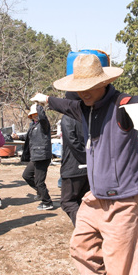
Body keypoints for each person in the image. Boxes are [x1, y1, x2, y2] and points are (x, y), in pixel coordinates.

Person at [30, 53, 138, 275]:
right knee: (81, 247)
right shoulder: (84, 108)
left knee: (118, 263)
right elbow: (64, 104)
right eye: (79, 88)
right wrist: (44, 99)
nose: (84, 92)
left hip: (125, 200)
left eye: (89, 87)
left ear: (103, 82)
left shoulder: (123, 106)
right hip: (96, 197)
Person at [11, 103, 54, 211]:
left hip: (42, 156)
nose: (35, 116)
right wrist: (18, 137)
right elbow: (27, 136)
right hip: (35, 156)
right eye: (33, 114)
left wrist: (38, 105)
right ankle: (41, 192)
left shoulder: (44, 124)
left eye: (37, 114)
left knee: (40, 181)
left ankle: (47, 202)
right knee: (26, 175)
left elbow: (43, 117)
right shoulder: (33, 125)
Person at [59, 92, 90, 227]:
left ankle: (83, 229)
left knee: (68, 201)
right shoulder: (88, 116)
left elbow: (73, 142)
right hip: (88, 167)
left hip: (73, 167)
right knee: (83, 200)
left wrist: (84, 159)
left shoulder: (68, 118)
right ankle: (90, 228)